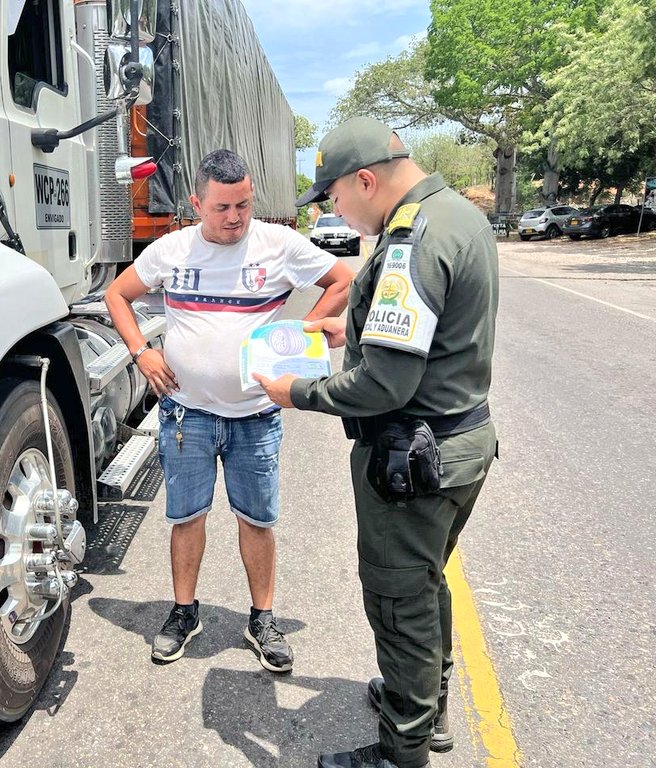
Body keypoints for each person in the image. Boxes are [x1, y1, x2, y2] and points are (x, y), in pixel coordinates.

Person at [253, 117, 499, 768]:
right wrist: (347, 330)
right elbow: (421, 333)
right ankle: (423, 708)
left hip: (413, 460)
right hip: (459, 441)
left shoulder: (410, 240)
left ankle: (402, 750)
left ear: (366, 180)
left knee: (399, 604)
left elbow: (387, 383)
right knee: (425, 584)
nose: (334, 208)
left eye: (333, 195)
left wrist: (294, 394)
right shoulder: (454, 214)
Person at [104, 149, 354, 672]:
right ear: (197, 203)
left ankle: (262, 618)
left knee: (257, 521)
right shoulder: (172, 249)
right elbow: (117, 294)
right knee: (187, 518)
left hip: (257, 416)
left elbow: (343, 280)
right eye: (222, 207)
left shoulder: (278, 245)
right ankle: (183, 612)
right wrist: (140, 351)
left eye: (243, 204)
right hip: (185, 416)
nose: (235, 217)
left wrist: (300, 332)